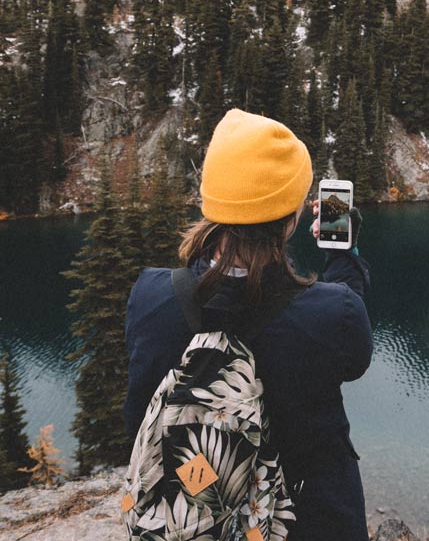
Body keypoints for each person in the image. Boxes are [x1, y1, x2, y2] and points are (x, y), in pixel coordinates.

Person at [123, 108, 373, 541]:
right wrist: (343, 256)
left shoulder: (150, 298)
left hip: (195, 516)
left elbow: (137, 415)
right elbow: (346, 345)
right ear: (292, 217)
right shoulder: (334, 315)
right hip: (308, 521)